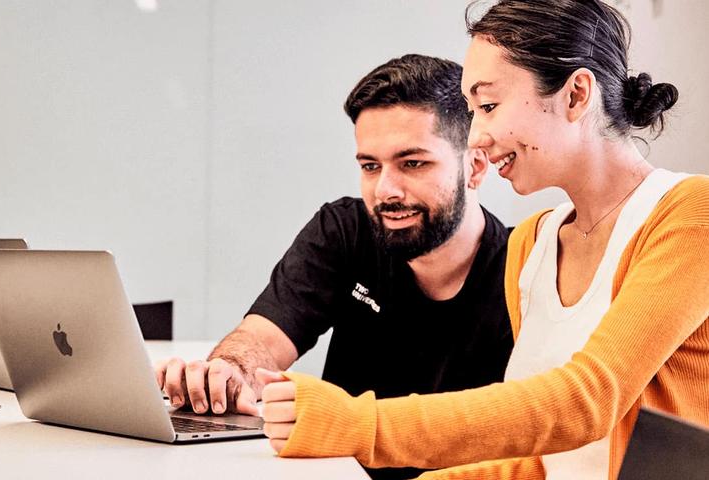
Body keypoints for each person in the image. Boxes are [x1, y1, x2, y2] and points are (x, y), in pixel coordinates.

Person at [258, 1, 709, 479]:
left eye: (489, 106)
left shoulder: (691, 213)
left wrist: (354, 424)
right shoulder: (533, 242)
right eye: (472, 113)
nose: (475, 137)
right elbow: (539, 460)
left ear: (576, 95)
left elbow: (585, 403)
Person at [156, 54, 513, 479]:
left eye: (413, 163)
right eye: (369, 166)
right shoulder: (345, 231)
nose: (386, 190)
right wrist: (229, 374)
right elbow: (262, 340)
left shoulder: (525, 264)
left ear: (474, 166)